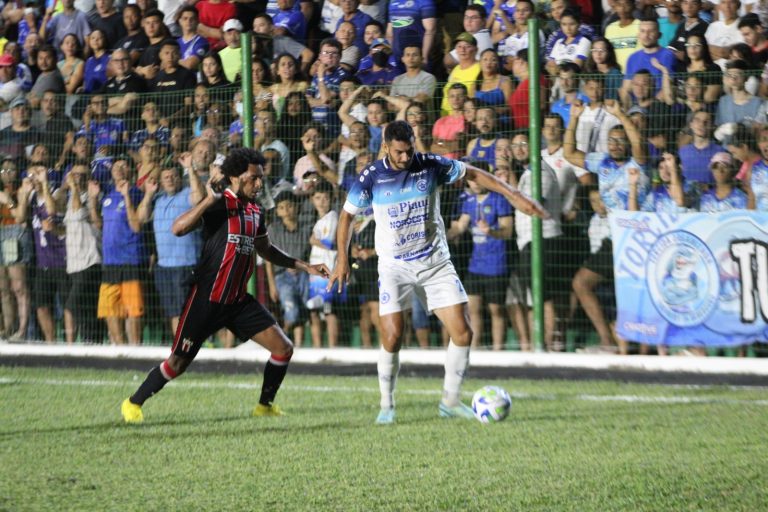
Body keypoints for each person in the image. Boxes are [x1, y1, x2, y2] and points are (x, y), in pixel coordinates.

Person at [327, 120, 546, 424]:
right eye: (399, 152)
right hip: (394, 266)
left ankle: (450, 401)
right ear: (387, 147)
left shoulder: (430, 165)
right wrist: (342, 259)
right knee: (392, 336)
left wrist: (514, 194)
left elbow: (473, 172)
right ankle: (387, 405)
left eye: (410, 150)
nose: (406, 158)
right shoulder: (372, 177)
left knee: (463, 331)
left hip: (434, 262)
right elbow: (347, 217)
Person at [120, 147, 330, 423]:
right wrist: (208, 200)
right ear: (234, 177)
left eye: (261, 178)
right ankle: (133, 403)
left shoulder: (255, 210)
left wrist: (305, 266)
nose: (259, 183)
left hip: (238, 302)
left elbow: (266, 249)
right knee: (178, 363)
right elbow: (178, 229)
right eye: (253, 178)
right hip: (206, 299)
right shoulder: (219, 204)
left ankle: (264, 406)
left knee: (283, 348)